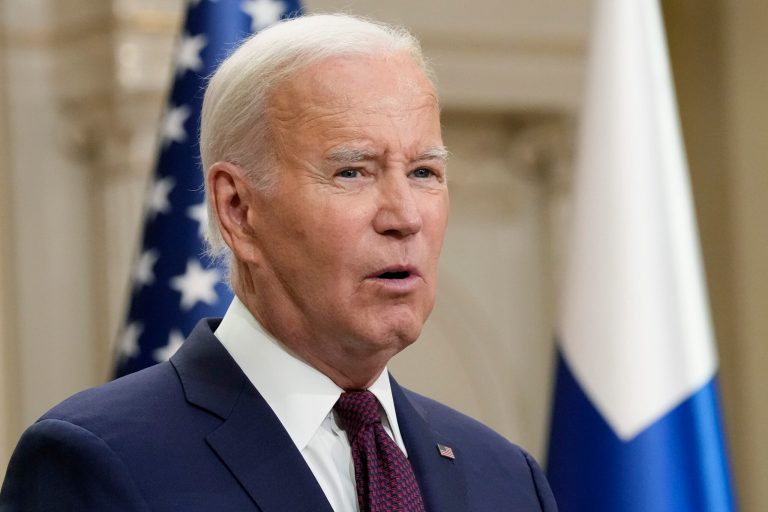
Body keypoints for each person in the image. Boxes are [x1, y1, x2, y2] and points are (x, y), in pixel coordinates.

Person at [0, 14, 557, 512]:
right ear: (238, 209)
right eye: (353, 172)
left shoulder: (506, 479)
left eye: (423, 173)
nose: (405, 216)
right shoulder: (99, 462)